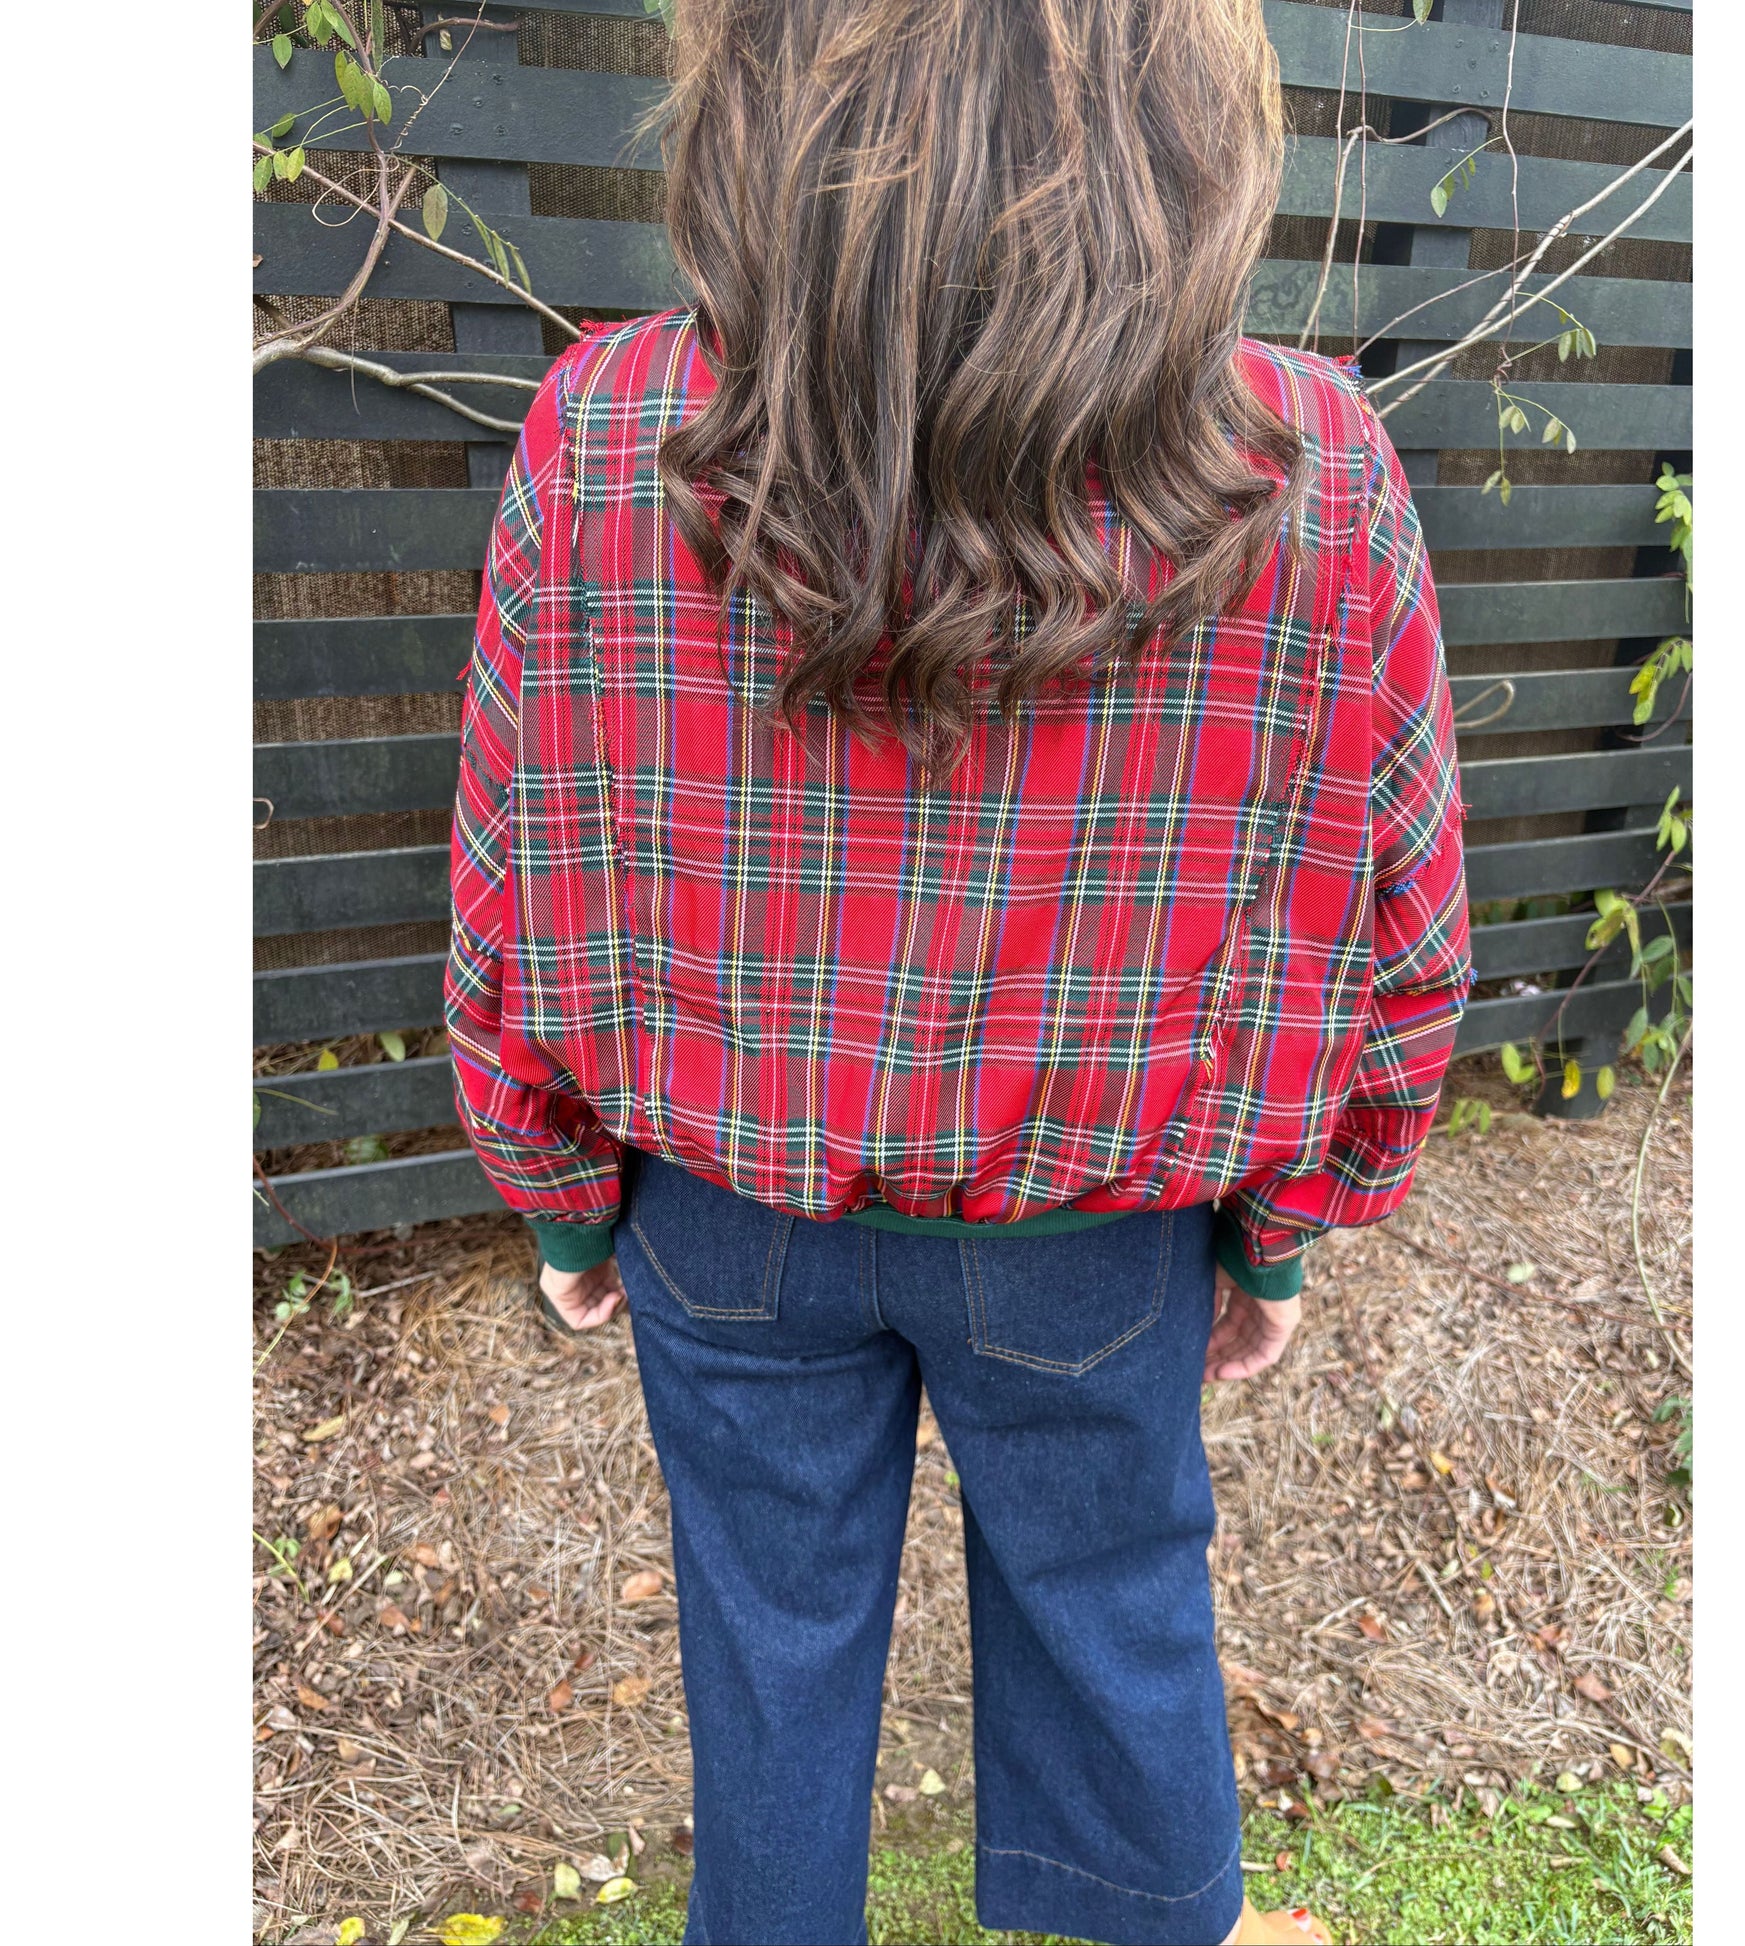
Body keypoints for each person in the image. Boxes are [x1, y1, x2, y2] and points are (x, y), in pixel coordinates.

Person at [444, 3, 1471, 1939]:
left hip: (721, 1213)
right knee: (1110, 1597)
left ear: (756, 98)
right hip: (1093, 1231)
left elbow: (517, 855)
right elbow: (1391, 915)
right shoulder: (1301, 453)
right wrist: (1281, 1227)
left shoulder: (607, 421)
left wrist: (561, 1196)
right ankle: (1164, 1920)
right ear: (1183, 124)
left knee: (766, 1625)